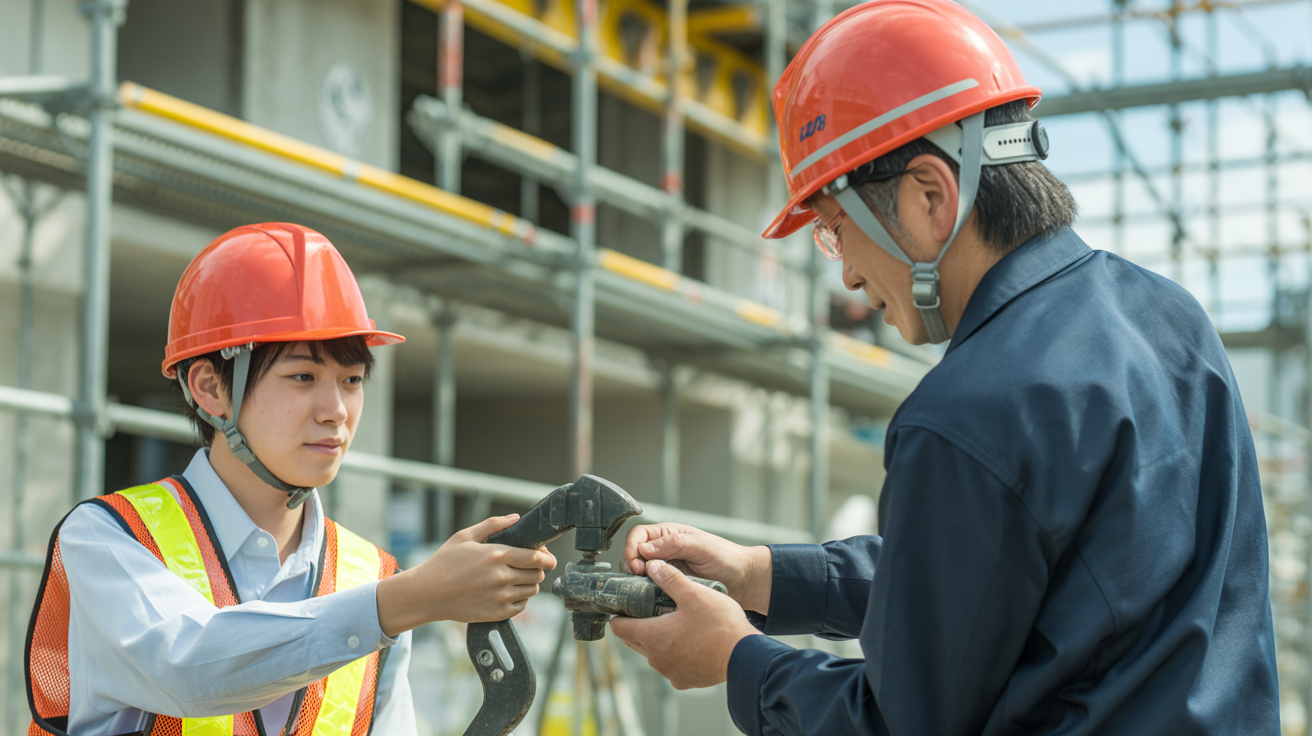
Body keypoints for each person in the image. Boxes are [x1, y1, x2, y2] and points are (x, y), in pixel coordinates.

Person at [609, 1, 1280, 734]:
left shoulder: (970, 411)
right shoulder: (1171, 320)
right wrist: (760, 574)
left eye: (837, 233)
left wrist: (737, 659)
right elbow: (1002, 578)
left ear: (931, 195)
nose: (849, 280)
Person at [27, 223, 557, 736]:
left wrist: (403, 597)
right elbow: (188, 668)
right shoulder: (107, 538)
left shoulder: (370, 573)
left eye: (351, 380)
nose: (336, 411)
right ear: (211, 389)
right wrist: (407, 600)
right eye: (302, 377)